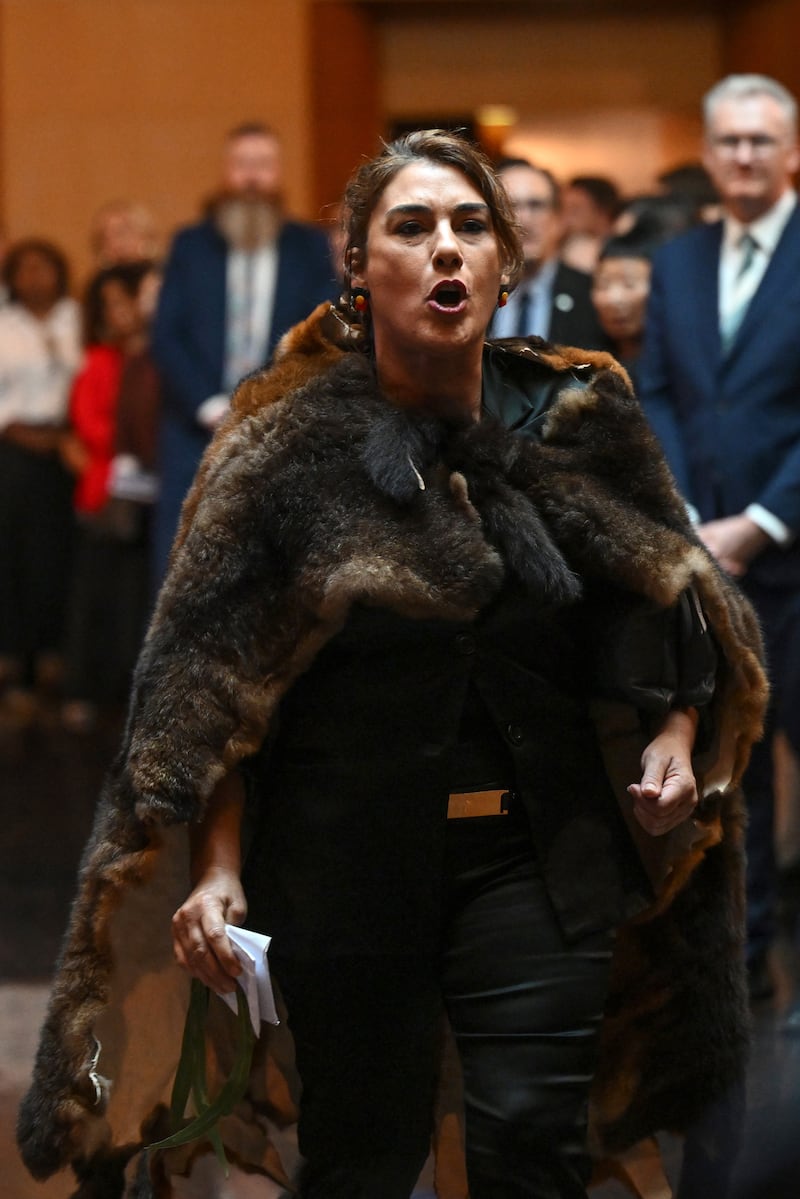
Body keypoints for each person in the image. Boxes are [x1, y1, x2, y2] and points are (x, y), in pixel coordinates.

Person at [19, 132, 766, 1199]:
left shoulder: (579, 412)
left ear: (506, 265)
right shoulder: (280, 444)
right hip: (340, 861)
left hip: (540, 852)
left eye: (470, 226)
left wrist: (673, 736)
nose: (443, 248)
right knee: (361, 1154)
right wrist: (217, 862)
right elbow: (209, 688)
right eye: (409, 228)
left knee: (531, 1143)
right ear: (359, 268)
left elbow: (664, 611)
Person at [638, 72, 800, 1003]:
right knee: (731, 768)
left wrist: (765, 520)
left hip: (791, 546)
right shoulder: (682, 261)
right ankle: (743, 959)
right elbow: (658, 387)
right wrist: (689, 510)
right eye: (729, 142)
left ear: (790, 154)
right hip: (705, 555)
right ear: (708, 156)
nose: (743, 156)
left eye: (760, 141)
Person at [151, 120, 337, 584]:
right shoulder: (191, 246)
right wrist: (206, 404)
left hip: (280, 432)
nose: (252, 178)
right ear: (225, 173)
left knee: (272, 575)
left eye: (263, 165)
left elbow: (320, 335)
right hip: (194, 434)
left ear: (278, 174)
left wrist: (268, 401)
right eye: (241, 165)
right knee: (180, 572)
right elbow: (166, 335)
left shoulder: (308, 247)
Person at [60, 262, 159, 731]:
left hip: (150, 492)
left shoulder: (156, 356)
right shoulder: (101, 361)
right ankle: (84, 688)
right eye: (112, 306)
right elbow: (88, 422)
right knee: (96, 598)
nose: (122, 314)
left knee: (138, 598)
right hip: (108, 492)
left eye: (128, 302)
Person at [0, 238, 82, 723]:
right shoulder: (4, 323)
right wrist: (23, 433)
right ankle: (18, 661)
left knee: (61, 555)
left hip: (70, 451)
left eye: (43, 267)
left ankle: (58, 656)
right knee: (16, 555)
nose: (34, 277)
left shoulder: (77, 317)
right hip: (14, 449)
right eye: (23, 269)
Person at [489, 157, 610, 349]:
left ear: (558, 218)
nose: (524, 220)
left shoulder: (589, 295)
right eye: (510, 207)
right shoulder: (477, 293)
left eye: (536, 205)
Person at [590, 228, 660, 384]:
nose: (614, 299)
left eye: (629, 284)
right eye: (603, 285)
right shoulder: (586, 364)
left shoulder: (675, 364)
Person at [560, 174, 620, 271]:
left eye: (575, 209)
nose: (567, 216)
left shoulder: (624, 248)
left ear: (603, 209)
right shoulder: (570, 244)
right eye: (564, 208)